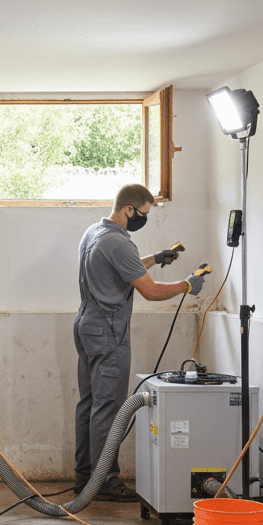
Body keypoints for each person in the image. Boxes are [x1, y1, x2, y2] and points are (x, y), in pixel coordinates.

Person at [74, 183, 208, 502]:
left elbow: (122, 268)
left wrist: (156, 258)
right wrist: (186, 285)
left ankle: (84, 478)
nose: (143, 219)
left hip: (86, 326)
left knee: (90, 404)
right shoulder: (120, 243)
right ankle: (104, 482)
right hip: (109, 333)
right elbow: (149, 291)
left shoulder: (94, 232)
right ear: (129, 209)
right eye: (143, 214)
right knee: (107, 407)